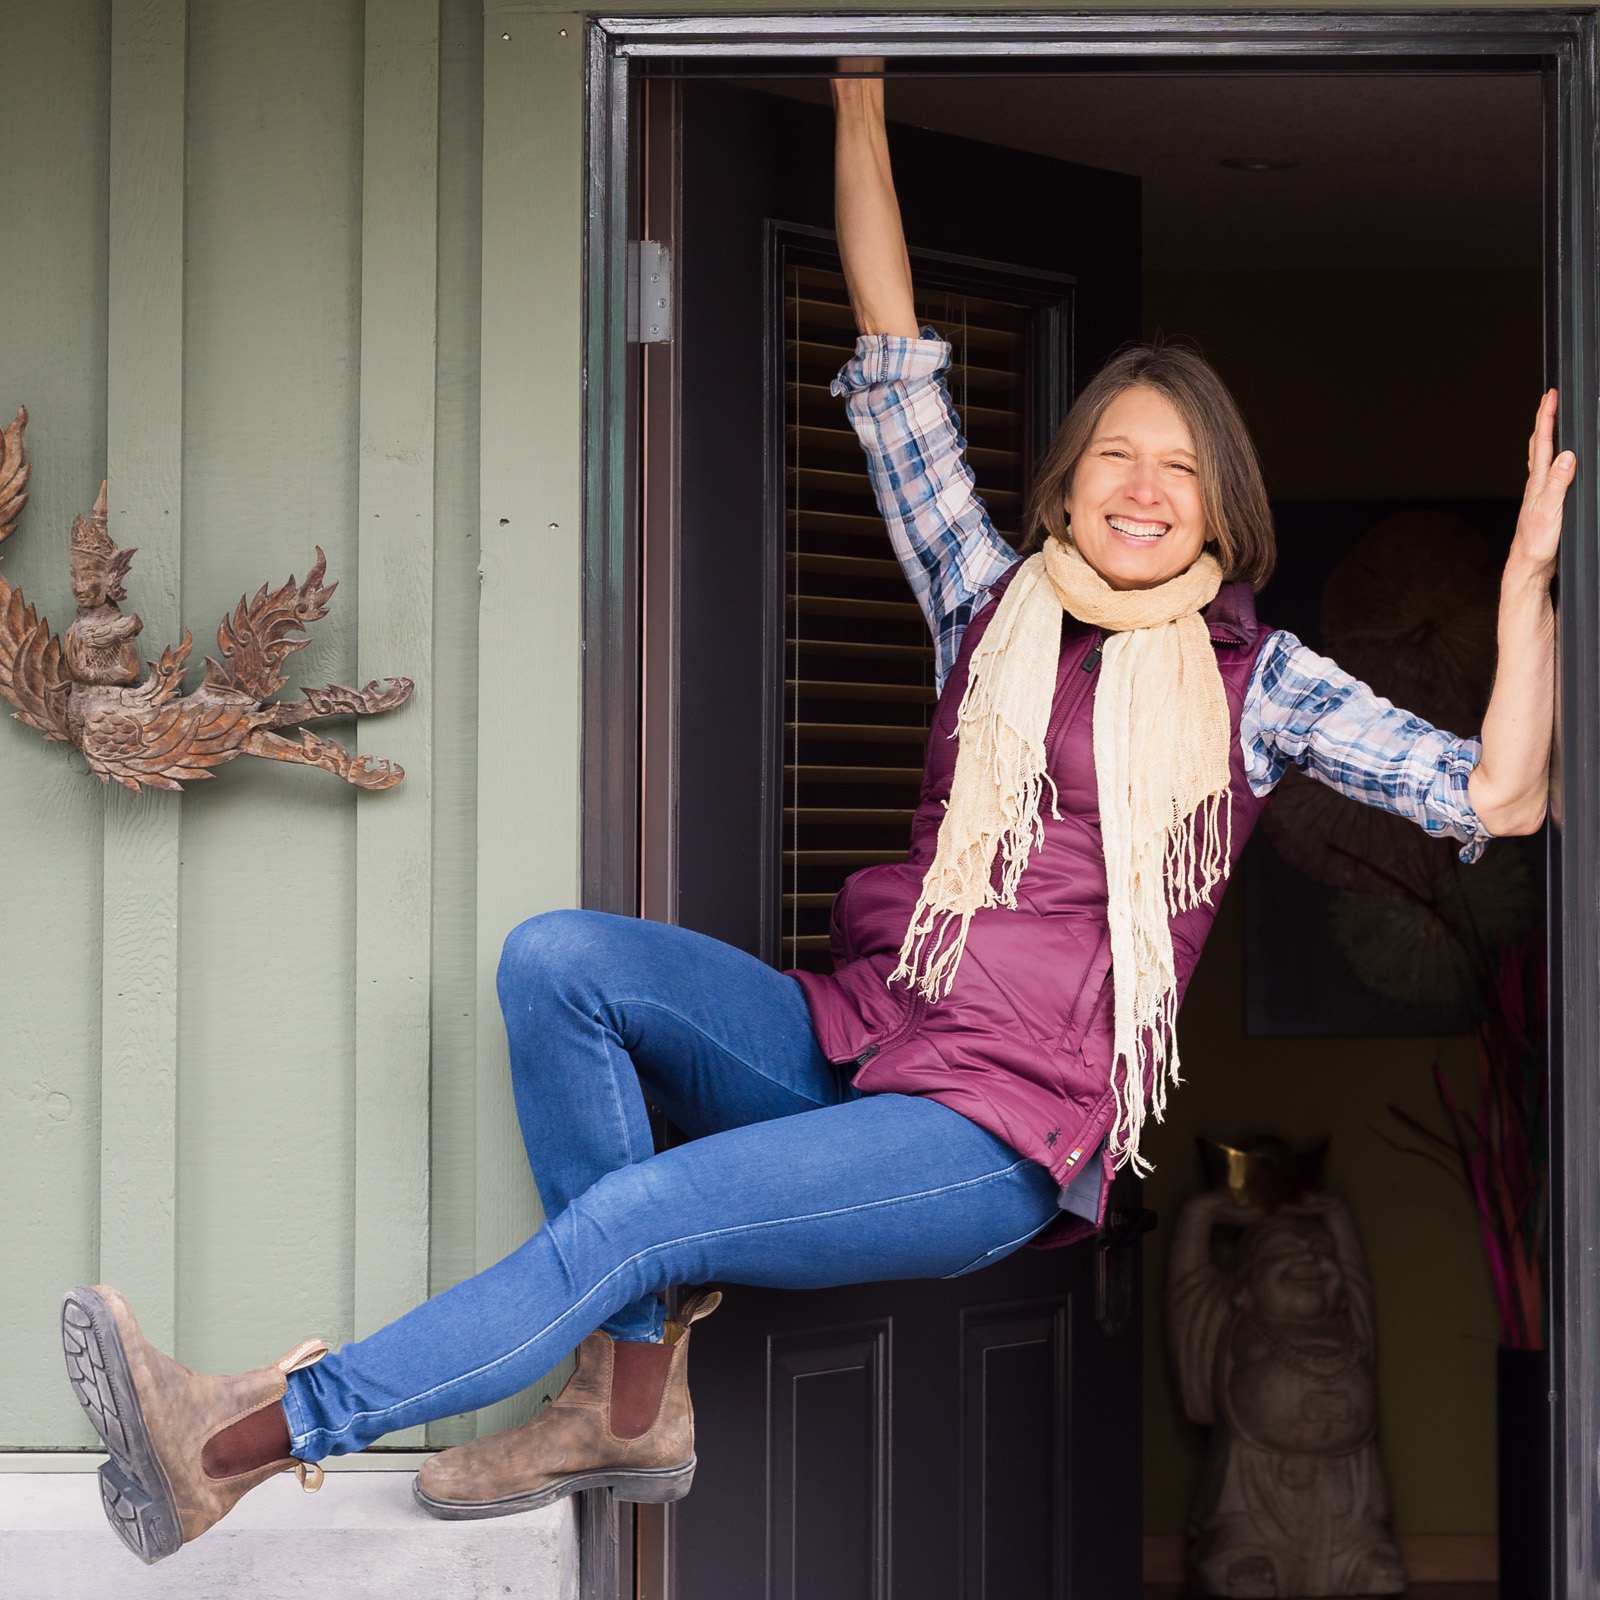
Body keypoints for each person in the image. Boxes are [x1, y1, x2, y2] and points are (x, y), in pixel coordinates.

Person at [60, 63, 1568, 1568]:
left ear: (1224, 510)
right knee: (558, 963)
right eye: (1118, 450)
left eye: (1180, 467)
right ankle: (632, 1396)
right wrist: (857, 85)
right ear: (1065, 482)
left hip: (999, 1127)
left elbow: (1500, 792)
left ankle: (238, 1441)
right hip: (863, 1026)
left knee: (639, 1214)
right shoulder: (989, 604)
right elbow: (896, 360)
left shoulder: (1262, 684)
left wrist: (1524, 590)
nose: (1144, 485)